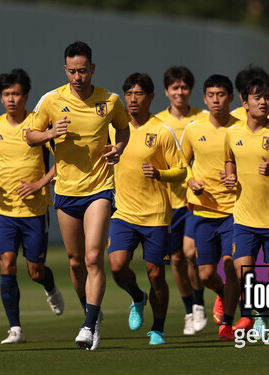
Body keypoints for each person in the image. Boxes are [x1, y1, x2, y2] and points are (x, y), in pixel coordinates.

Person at [26, 41, 130, 350]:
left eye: (82, 70)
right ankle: (91, 313)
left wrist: (118, 148)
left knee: (93, 256)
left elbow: (123, 130)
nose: (77, 77)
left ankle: (87, 325)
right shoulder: (51, 100)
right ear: (65, 70)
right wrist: (49, 134)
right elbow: (30, 135)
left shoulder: (109, 100)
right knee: (75, 263)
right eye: (72, 71)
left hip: (99, 189)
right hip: (66, 191)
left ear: (92, 69)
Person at [0, 69, 63, 345]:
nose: (11, 99)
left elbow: (62, 163)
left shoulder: (37, 127)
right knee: (7, 265)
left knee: (35, 271)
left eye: (16, 94)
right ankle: (15, 329)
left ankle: (49, 286)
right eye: (6, 94)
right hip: (3, 211)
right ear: (0, 98)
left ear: (26, 96)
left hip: (35, 211)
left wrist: (40, 184)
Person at [108, 73, 186, 345]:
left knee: (156, 274)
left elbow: (181, 171)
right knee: (117, 266)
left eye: (138, 93)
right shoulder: (114, 129)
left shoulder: (161, 131)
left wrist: (161, 174)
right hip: (124, 213)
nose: (132, 98)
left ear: (150, 97)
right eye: (128, 93)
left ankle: (158, 328)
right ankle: (137, 297)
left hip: (155, 215)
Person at [224, 78, 269, 344]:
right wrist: (229, 177)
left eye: (267, 97)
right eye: (257, 97)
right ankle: (261, 310)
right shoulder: (232, 133)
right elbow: (229, 161)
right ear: (245, 103)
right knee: (244, 273)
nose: (263, 102)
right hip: (243, 217)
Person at [180, 74, 239, 340]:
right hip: (203, 212)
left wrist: (236, 176)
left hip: (234, 212)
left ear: (232, 98)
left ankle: (228, 324)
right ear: (204, 99)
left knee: (230, 265)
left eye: (222, 94)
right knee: (205, 275)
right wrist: (190, 180)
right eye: (211, 95)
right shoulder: (193, 129)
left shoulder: (239, 128)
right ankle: (222, 293)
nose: (216, 100)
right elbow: (181, 164)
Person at [156, 66, 207, 333]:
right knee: (176, 259)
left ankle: (199, 303)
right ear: (166, 91)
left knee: (191, 254)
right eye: (174, 87)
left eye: (184, 87)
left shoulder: (203, 118)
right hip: (166, 202)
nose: (180, 92)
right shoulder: (157, 123)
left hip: (194, 199)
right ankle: (189, 309)